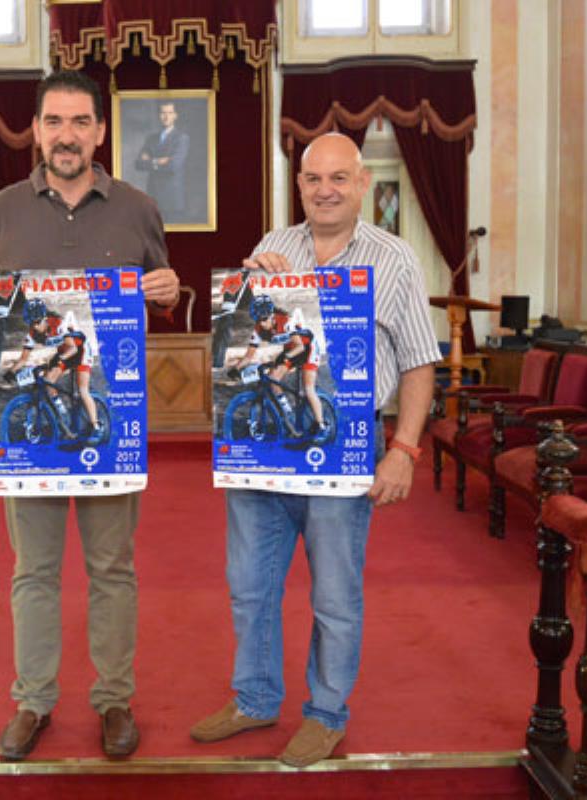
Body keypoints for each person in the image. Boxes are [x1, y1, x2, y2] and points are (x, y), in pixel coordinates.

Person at [0, 70, 181, 763]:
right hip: (29, 422)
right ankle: (34, 700)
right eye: (55, 122)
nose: (67, 135)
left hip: (110, 420)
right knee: (34, 570)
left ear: (100, 132)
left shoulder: (138, 207)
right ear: (37, 130)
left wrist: (166, 289)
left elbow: (158, 290)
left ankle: (113, 700)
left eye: (81, 122)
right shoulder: (1, 209)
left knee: (113, 568)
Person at [189, 133, 439, 768]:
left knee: (334, 595)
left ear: (361, 183)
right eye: (312, 179)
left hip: (345, 454)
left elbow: (418, 363)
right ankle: (254, 699)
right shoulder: (273, 247)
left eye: (338, 178)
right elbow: (234, 339)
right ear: (298, 185)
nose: (324, 190)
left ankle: (326, 713)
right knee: (249, 586)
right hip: (264, 453)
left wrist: (404, 450)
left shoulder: (395, 259)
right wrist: (247, 289)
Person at [224, 293, 324, 438]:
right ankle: (287, 413)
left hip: (307, 348)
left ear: (271, 314)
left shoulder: (286, 322)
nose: (262, 323)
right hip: (291, 350)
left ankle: (320, 424)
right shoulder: (258, 329)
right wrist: (235, 369)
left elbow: (300, 347)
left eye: (264, 319)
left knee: (308, 389)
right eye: (258, 319)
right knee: (272, 378)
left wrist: (285, 358)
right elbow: (248, 356)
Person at [2, 297, 99, 438]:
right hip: (64, 352)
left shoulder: (58, 324)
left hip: (80, 350)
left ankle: (95, 425)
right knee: (48, 381)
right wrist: (11, 372)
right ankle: (62, 414)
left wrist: (59, 359)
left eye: (36, 322)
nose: (34, 326)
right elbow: (23, 359)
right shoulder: (32, 333)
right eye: (31, 323)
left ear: (44, 318)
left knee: (83, 390)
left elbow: (73, 349)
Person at [134, 101, 189, 220]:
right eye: (163, 113)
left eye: (170, 112)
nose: (166, 116)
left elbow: (173, 166)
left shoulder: (181, 138)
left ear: (175, 115)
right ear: (159, 115)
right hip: (153, 197)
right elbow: (138, 164)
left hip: (172, 199)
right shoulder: (151, 138)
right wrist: (158, 161)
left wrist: (150, 161)